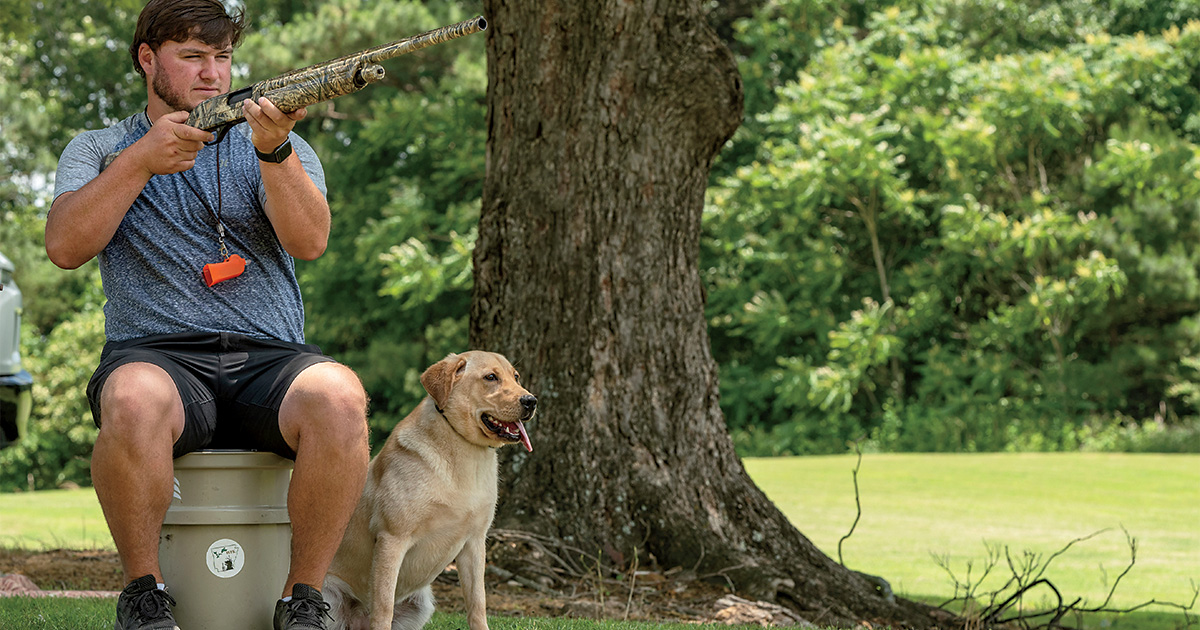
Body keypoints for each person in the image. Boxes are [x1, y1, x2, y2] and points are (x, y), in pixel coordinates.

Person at [46, 1, 370, 629]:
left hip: (270, 357)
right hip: (156, 354)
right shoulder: (100, 147)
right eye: (192, 56)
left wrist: (274, 153)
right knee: (133, 399)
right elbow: (64, 247)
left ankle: (303, 600)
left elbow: (310, 242)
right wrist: (141, 159)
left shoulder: (281, 142)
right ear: (148, 59)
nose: (213, 75)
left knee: (340, 397)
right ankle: (145, 595)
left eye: (221, 58)